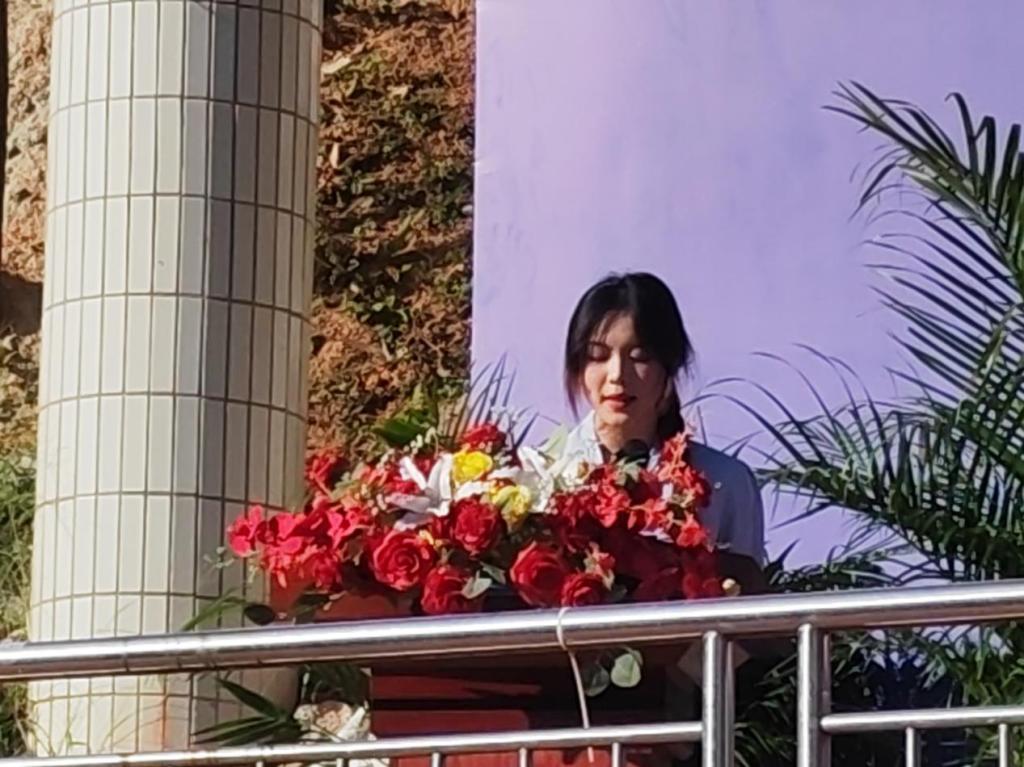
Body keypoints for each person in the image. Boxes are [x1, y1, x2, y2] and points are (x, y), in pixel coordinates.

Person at [560, 271, 767, 594]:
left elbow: (746, 599)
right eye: (597, 356)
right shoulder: (546, 477)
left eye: (639, 357)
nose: (617, 375)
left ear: (669, 366)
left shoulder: (724, 481)